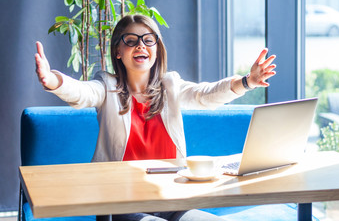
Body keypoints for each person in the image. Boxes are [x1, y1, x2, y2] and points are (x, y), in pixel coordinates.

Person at [35, 14, 276, 221]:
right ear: (118, 51)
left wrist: (247, 81)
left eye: (148, 40)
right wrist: (52, 80)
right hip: (122, 201)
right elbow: (80, 92)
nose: (141, 46)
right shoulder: (106, 87)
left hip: (172, 198)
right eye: (131, 41)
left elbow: (206, 94)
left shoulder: (170, 85)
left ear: (157, 49)